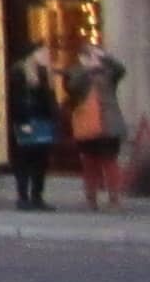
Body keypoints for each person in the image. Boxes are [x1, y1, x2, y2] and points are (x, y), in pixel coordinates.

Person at [70, 52, 130, 212]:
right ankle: (91, 198)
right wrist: (86, 69)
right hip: (88, 124)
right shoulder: (79, 73)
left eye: (96, 57)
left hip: (109, 126)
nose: (94, 60)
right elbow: (72, 86)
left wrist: (106, 57)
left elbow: (121, 70)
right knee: (90, 163)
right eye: (91, 56)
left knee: (110, 163)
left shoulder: (109, 73)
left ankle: (114, 198)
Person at [8, 60, 67, 210]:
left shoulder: (43, 79)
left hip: (42, 124)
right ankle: (23, 197)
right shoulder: (19, 78)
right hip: (26, 123)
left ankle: (36, 196)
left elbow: (50, 103)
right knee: (25, 161)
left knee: (40, 162)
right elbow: (16, 103)